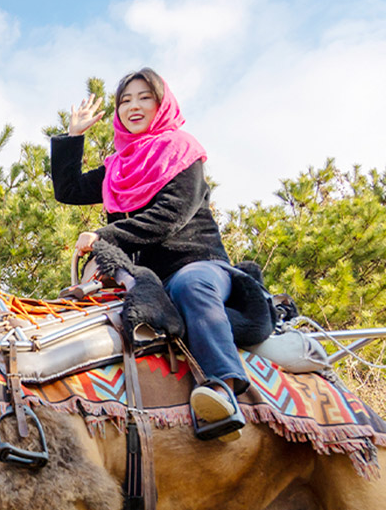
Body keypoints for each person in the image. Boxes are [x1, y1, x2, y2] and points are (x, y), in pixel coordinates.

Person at [49, 68, 247, 442]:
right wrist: (73, 137)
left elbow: (169, 216)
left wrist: (103, 236)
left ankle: (224, 388)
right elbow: (69, 189)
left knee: (191, 286)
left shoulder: (182, 150)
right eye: (125, 100)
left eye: (144, 97)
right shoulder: (117, 169)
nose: (133, 106)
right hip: (144, 278)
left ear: (161, 103)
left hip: (196, 263)